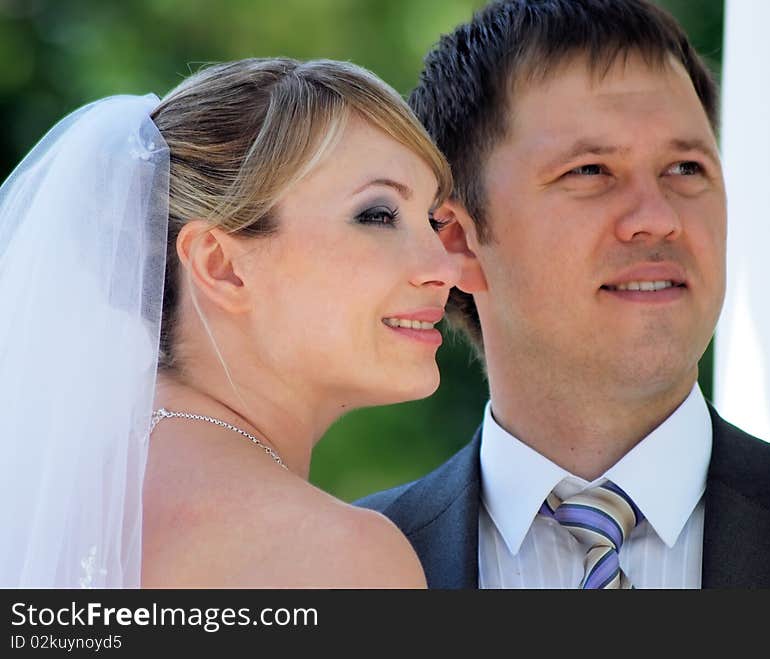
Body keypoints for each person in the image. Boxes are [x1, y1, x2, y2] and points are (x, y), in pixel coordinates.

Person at [357, 0, 770, 588]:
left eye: (685, 168)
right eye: (590, 171)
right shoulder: (323, 574)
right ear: (459, 243)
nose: (658, 219)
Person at [0, 57, 459, 588]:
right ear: (220, 266)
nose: (444, 270)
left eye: (431, 220)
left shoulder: (44, 501)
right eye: (377, 215)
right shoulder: (336, 557)